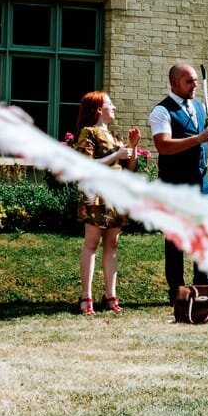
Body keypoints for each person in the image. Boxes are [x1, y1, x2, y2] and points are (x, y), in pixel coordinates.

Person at [149, 63, 208, 304]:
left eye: (195, 80)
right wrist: (199, 139)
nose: (194, 85)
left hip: (201, 184)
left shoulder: (199, 106)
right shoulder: (161, 112)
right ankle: (177, 291)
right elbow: (163, 145)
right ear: (174, 83)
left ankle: (204, 285)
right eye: (189, 81)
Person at [72, 91, 141, 315]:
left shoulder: (114, 136)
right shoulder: (88, 132)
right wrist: (117, 154)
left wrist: (132, 148)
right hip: (96, 194)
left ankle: (111, 295)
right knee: (91, 243)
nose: (114, 108)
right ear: (99, 109)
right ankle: (86, 297)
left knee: (112, 245)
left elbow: (129, 169)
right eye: (110, 104)